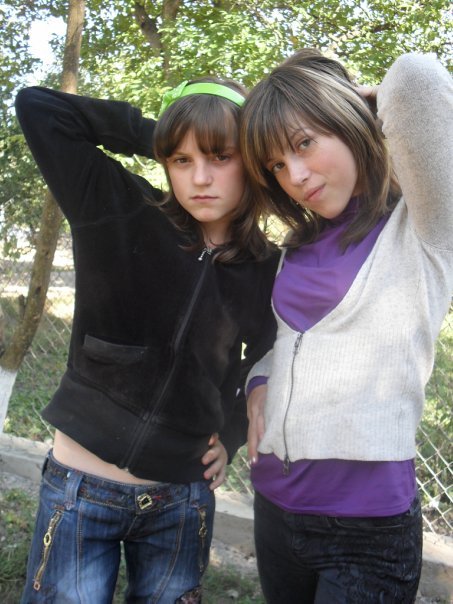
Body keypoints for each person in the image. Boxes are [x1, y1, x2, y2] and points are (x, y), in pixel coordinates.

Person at [15, 76, 279, 603]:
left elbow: (265, 355)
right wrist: (164, 132)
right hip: (79, 491)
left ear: (250, 160)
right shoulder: (118, 207)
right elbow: (38, 107)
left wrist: (230, 434)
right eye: (181, 160)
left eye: (220, 156)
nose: (199, 178)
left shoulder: (266, 268)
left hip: (179, 503)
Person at [240, 49, 453, 603]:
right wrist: (259, 382)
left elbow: (416, 79)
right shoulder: (299, 244)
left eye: (305, 143)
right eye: (277, 165)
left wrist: (361, 103)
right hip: (275, 507)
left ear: (350, 119)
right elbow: (293, 344)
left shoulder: (426, 226)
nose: (295, 176)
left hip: (367, 531)